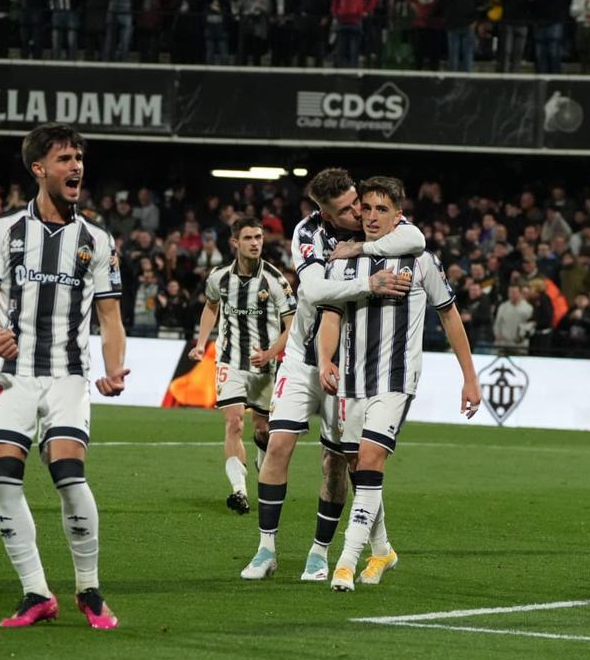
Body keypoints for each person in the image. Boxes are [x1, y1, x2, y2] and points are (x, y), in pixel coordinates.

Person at [0, 123, 127, 629]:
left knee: (68, 473)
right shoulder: (1, 231)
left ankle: (89, 589)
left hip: (67, 375)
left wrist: (114, 370)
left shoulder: (98, 241)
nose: (76, 166)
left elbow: (110, 319)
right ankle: (35, 592)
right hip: (12, 375)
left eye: (79, 157)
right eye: (64, 158)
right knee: (4, 479)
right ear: (39, 168)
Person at [239, 168, 418, 583]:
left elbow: (417, 239)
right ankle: (266, 549)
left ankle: (320, 553)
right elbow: (314, 292)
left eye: (357, 201)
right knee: (278, 442)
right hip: (304, 356)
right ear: (323, 212)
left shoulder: (379, 226)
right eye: (345, 209)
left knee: (338, 462)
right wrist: (369, 284)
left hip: (351, 362)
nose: (358, 211)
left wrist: (355, 249)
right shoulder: (307, 233)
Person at [316, 176, 482, 591]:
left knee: (371, 459)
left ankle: (345, 563)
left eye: (381, 210)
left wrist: (470, 377)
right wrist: (325, 359)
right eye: (366, 208)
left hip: (395, 379)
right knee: (358, 466)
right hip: (352, 380)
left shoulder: (421, 259)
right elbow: (332, 315)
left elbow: (449, 316)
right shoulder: (343, 261)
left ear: (398, 216)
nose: (371, 217)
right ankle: (383, 549)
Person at [189, 217, 296, 515]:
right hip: (229, 360)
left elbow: (292, 325)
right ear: (235, 242)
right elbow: (211, 306)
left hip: (264, 366)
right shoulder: (219, 277)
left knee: (262, 429)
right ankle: (239, 491)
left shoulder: (276, 280)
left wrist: (272, 353)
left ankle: (266, 476)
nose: (255, 243)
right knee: (234, 422)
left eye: (259, 238)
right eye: (248, 238)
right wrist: (201, 343)